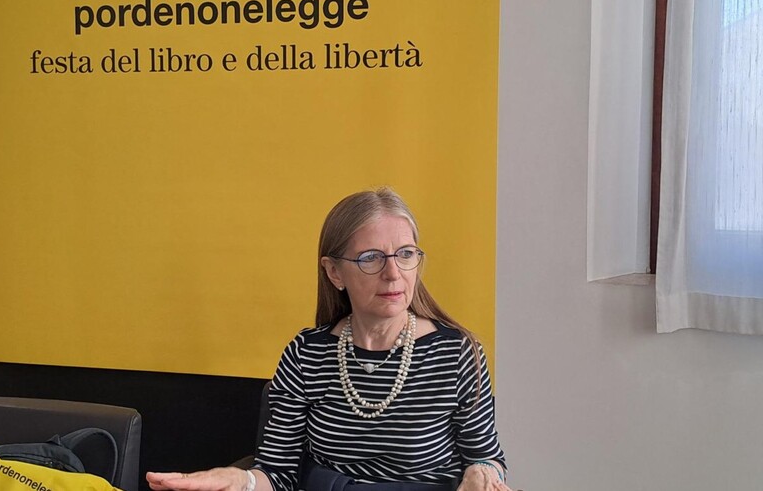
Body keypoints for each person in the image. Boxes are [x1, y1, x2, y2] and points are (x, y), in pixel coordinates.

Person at [147, 188, 512, 491]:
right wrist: (239, 481)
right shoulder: (307, 353)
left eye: (405, 254)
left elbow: (486, 457)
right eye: (371, 258)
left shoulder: (457, 353)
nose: (393, 273)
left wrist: (481, 473)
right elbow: (277, 474)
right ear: (334, 271)